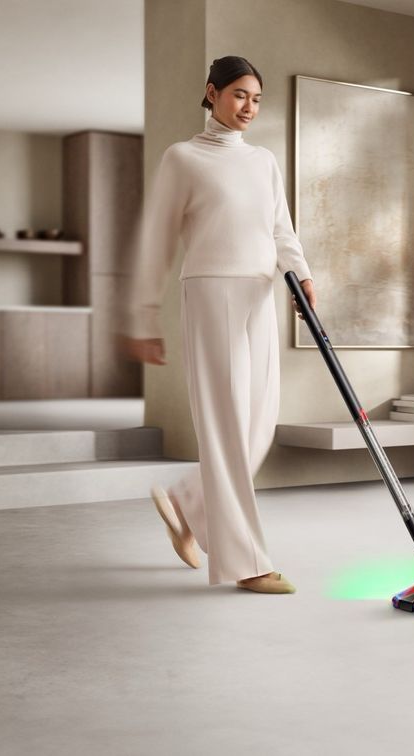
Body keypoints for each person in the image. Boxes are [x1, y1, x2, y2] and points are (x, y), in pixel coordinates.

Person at [123, 56, 316, 595]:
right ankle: (244, 561)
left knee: (260, 424)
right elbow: (156, 239)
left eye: (256, 98)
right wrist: (143, 315)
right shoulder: (182, 158)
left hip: (260, 295)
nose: (249, 107)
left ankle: (190, 500)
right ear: (211, 93)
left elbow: (282, 229)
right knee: (227, 428)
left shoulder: (264, 162)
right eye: (239, 96)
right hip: (211, 293)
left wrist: (299, 276)